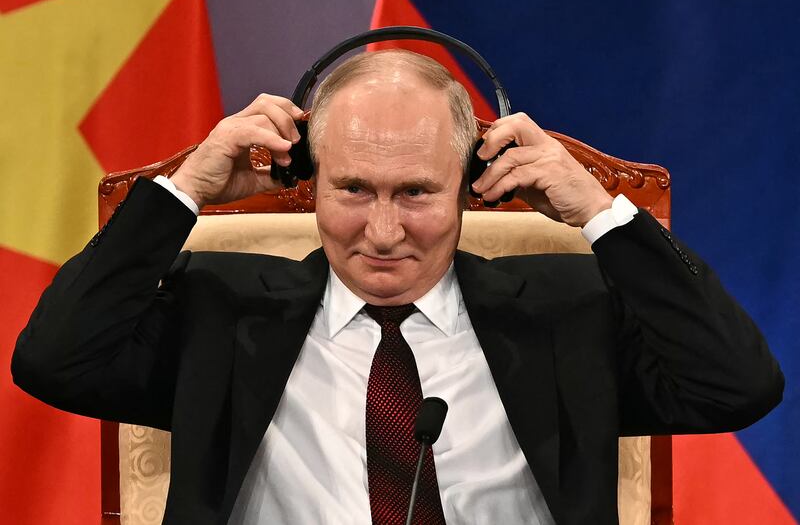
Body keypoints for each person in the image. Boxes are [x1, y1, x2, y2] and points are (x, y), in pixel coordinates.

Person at [12, 50, 783, 525]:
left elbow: (736, 385)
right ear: (308, 181)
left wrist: (597, 210)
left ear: (471, 184)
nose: (382, 233)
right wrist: (189, 187)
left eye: (415, 191)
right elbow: (55, 359)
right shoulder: (219, 306)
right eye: (352, 189)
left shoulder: (567, 308)